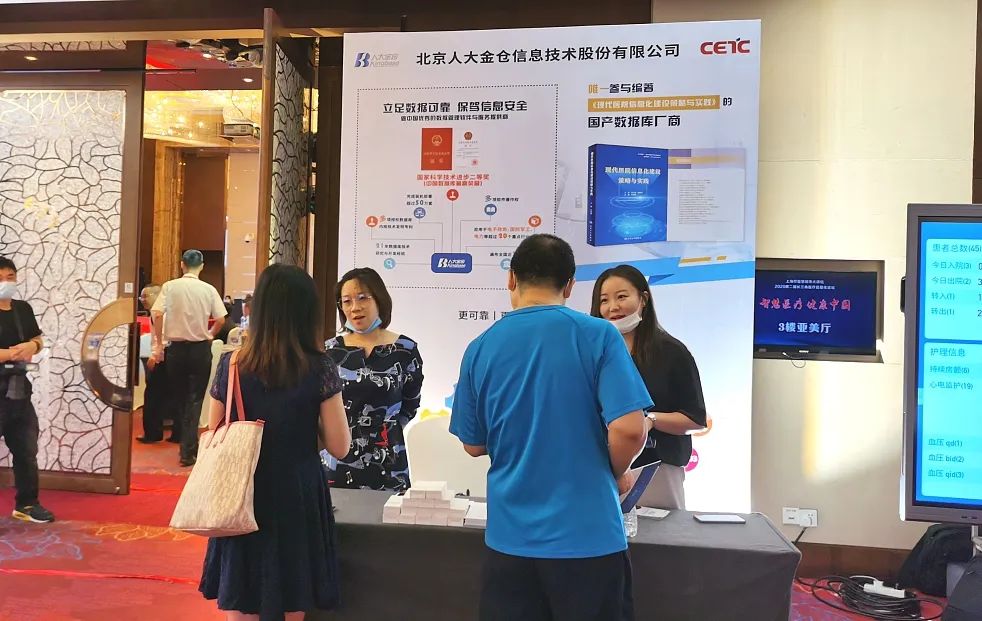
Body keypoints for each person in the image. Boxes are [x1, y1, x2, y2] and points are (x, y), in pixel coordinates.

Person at [449, 234, 652, 621]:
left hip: (511, 541)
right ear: (570, 285)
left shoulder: (480, 346)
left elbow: (473, 444)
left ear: (511, 278)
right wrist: (612, 471)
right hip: (589, 537)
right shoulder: (598, 335)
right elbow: (630, 429)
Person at [199, 263, 351, 621]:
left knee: (242, 593)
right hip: (297, 492)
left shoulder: (232, 364)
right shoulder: (319, 367)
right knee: (293, 593)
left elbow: (213, 431)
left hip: (241, 492)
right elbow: (340, 446)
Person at [591, 264, 707, 510]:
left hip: (656, 470)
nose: (613, 307)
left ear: (643, 299)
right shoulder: (593, 354)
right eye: (604, 300)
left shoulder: (672, 352)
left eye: (622, 297)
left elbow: (696, 419)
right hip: (601, 470)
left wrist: (651, 420)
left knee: (660, 534)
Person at [324, 267, 423, 491]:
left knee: (389, 514)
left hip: (389, 461)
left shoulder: (406, 349)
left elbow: (410, 404)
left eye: (362, 298)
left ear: (379, 299)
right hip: (337, 462)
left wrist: (386, 430)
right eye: (346, 301)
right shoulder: (329, 351)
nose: (355, 307)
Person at [151, 249, 227, 467]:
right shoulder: (208, 289)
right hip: (200, 349)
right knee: (195, 399)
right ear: (201, 266)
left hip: (176, 349)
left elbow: (157, 313)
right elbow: (221, 319)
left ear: (182, 265)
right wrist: (209, 335)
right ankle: (188, 449)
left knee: (180, 397)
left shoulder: (170, 287)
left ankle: (186, 445)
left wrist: (159, 342)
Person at [0, 257, 54, 523]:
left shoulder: (22, 309)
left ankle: (28, 504)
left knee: (26, 449)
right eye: (0, 278)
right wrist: (11, 354)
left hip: (19, 389)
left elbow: (36, 338)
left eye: (10, 277)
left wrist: (33, 346)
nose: (6, 282)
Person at [136, 285, 179, 444]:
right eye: (141, 297)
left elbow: (163, 338)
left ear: (157, 294)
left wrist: (155, 356)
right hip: (173, 355)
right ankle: (177, 433)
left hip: (165, 355)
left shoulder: (160, 313)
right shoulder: (166, 310)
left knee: (153, 396)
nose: (142, 300)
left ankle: (153, 433)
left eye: (145, 296)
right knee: (173, 394)